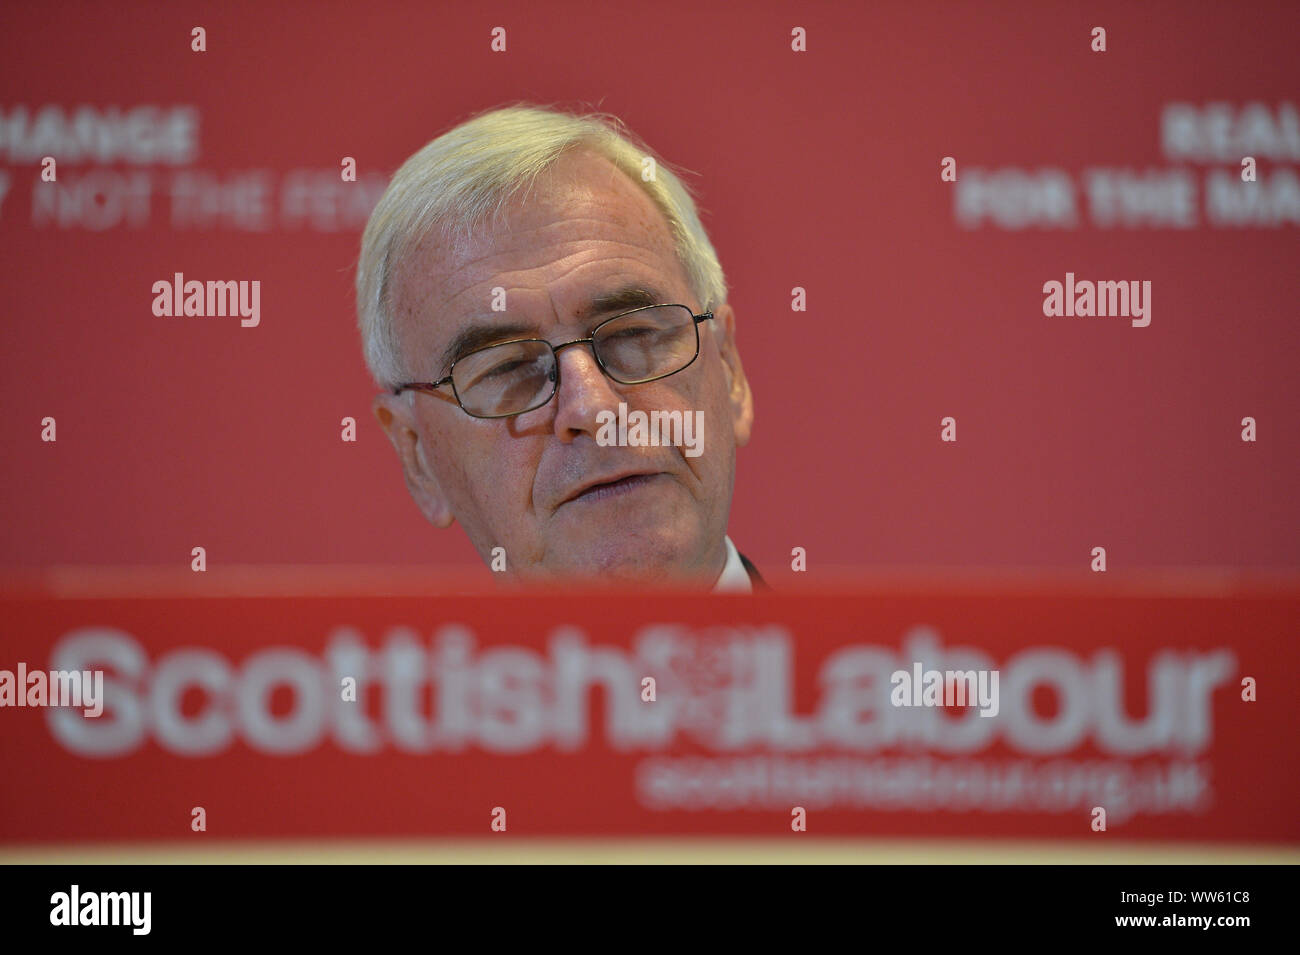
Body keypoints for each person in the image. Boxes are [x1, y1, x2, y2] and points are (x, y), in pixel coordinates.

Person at [356, 103, 764, 591]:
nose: (592, 408)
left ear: (729, 369)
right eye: (508, 369)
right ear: (417, 456)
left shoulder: (874, 666)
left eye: (632, 334)